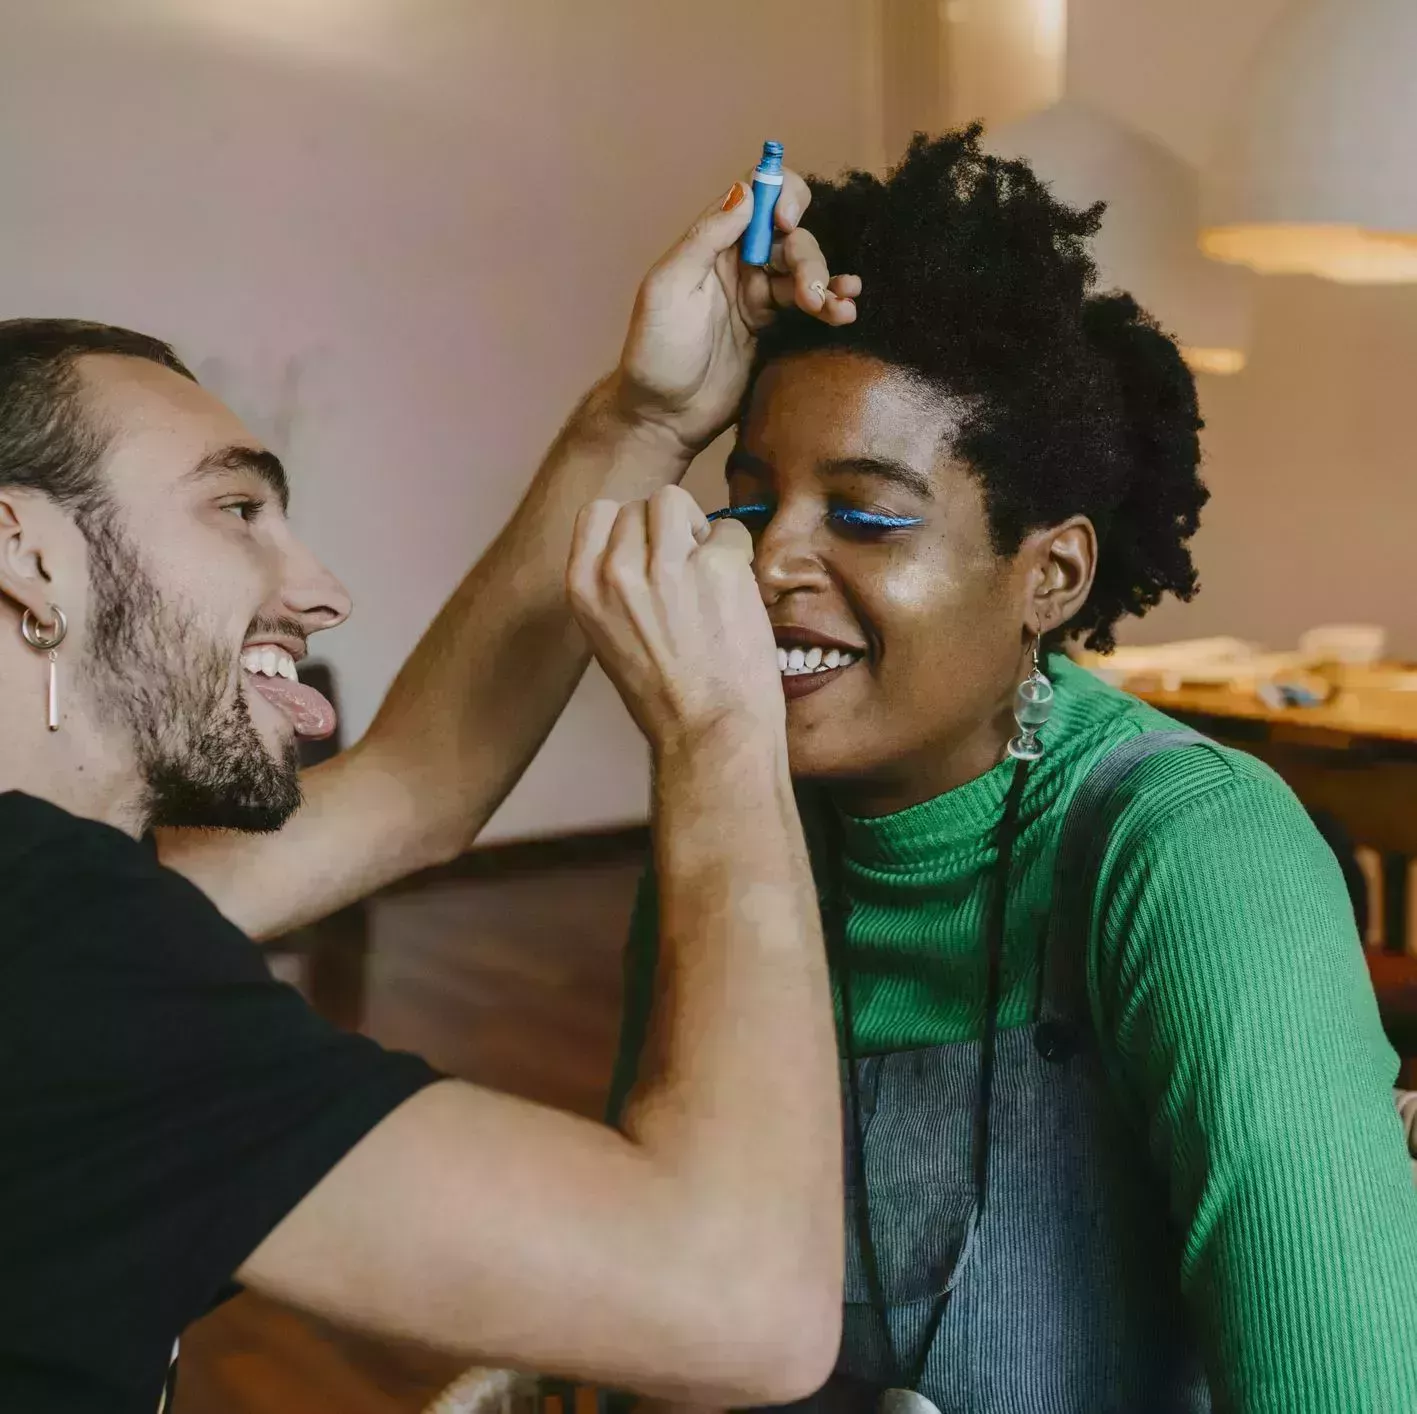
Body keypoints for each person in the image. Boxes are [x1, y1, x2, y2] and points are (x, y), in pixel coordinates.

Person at [0, 167, 863, 1411]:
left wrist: (645, 418)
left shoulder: (53, 899)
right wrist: (723, 731)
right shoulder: (46, 948)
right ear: (26, 553)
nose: (321, 591)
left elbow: (418, 784)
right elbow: (739, 1304)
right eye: (238, 507)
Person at [610, 128, 1417, 1413]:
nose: (767, 565)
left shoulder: (1189, 854)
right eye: (753, 499)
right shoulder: (727, 811)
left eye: (868, 513)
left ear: (1050, 576)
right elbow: (650, 1306)